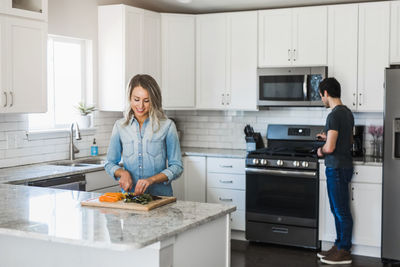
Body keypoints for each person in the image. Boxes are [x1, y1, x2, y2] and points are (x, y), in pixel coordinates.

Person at [105, 74, 183, 196]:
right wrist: (123, 173)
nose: (140, 106)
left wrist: (152, 180)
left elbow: (177, 167)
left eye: (146, 101)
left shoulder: (167, 126)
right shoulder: (120, 126)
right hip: (130, 198)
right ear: (130, 98)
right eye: (136, 99)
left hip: (160, 198)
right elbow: (109, 163)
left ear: (154, 101)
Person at [316, 77, 354, 265]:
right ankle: (339, 245)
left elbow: (329, 148)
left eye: (321, 95)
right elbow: (349, 141)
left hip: (336, 167)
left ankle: (344, 250)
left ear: (326, 93)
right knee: (338, 209)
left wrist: (320, 149)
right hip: (345, 166)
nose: (322, 99)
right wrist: (328, 135)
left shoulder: (333, 115)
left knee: (340, 211)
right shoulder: (347, 113)